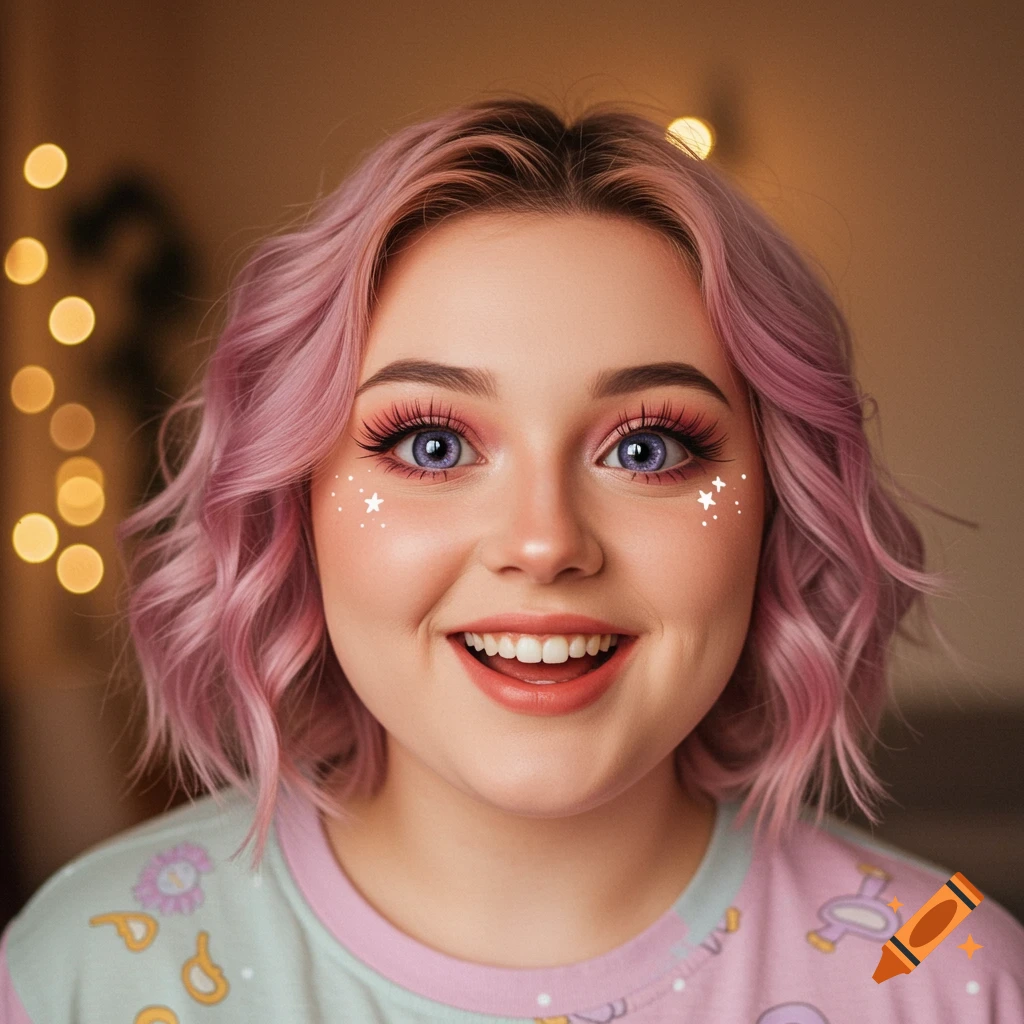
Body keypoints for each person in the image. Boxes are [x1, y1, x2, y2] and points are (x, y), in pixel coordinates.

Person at [2, 96, 1022, 1023]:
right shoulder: (78, 974)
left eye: (647, 448)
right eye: (431, 444)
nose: (543, 543)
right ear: (294, 505)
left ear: (775, 507)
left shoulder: (950, 979)